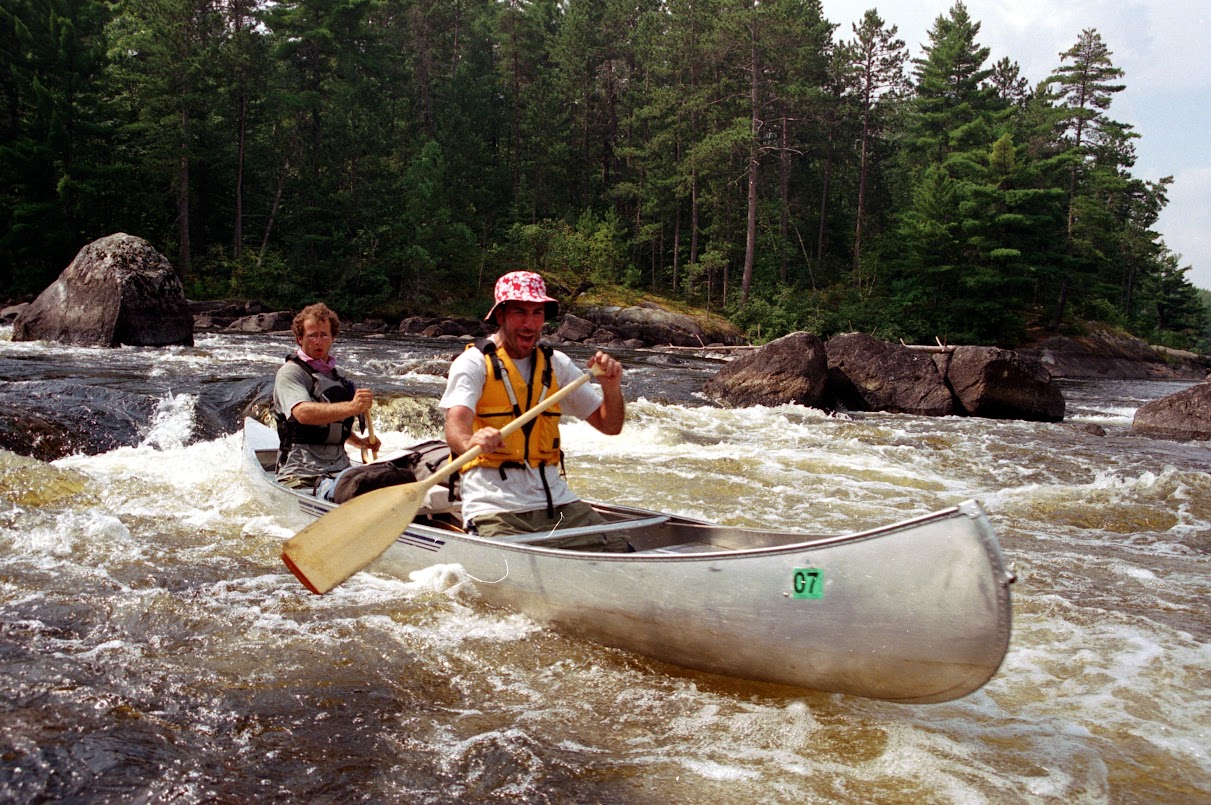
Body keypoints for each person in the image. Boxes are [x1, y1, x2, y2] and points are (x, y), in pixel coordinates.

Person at [439, 271, 629, 551]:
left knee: (620, 549)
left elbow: (610, 426)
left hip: (555, 501)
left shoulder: (558, 366)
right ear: (500, 315)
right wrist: (472, 442)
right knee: (508, 563)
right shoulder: (473, 363)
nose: (530, 324)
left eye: (537, 313)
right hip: (493, 505)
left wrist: (611, 389)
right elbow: (455, 425)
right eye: (520, 312)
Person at [272, 302, 380, 499]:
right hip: (301, 473)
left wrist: (359, 442)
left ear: (332, 338)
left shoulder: (338, 375)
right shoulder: (290, 373)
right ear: (299, 339)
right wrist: (353, 407)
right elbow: (303, 414)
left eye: (324, 335)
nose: (318, 341)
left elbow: (332, 425)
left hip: (340, 468)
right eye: (312, 335)